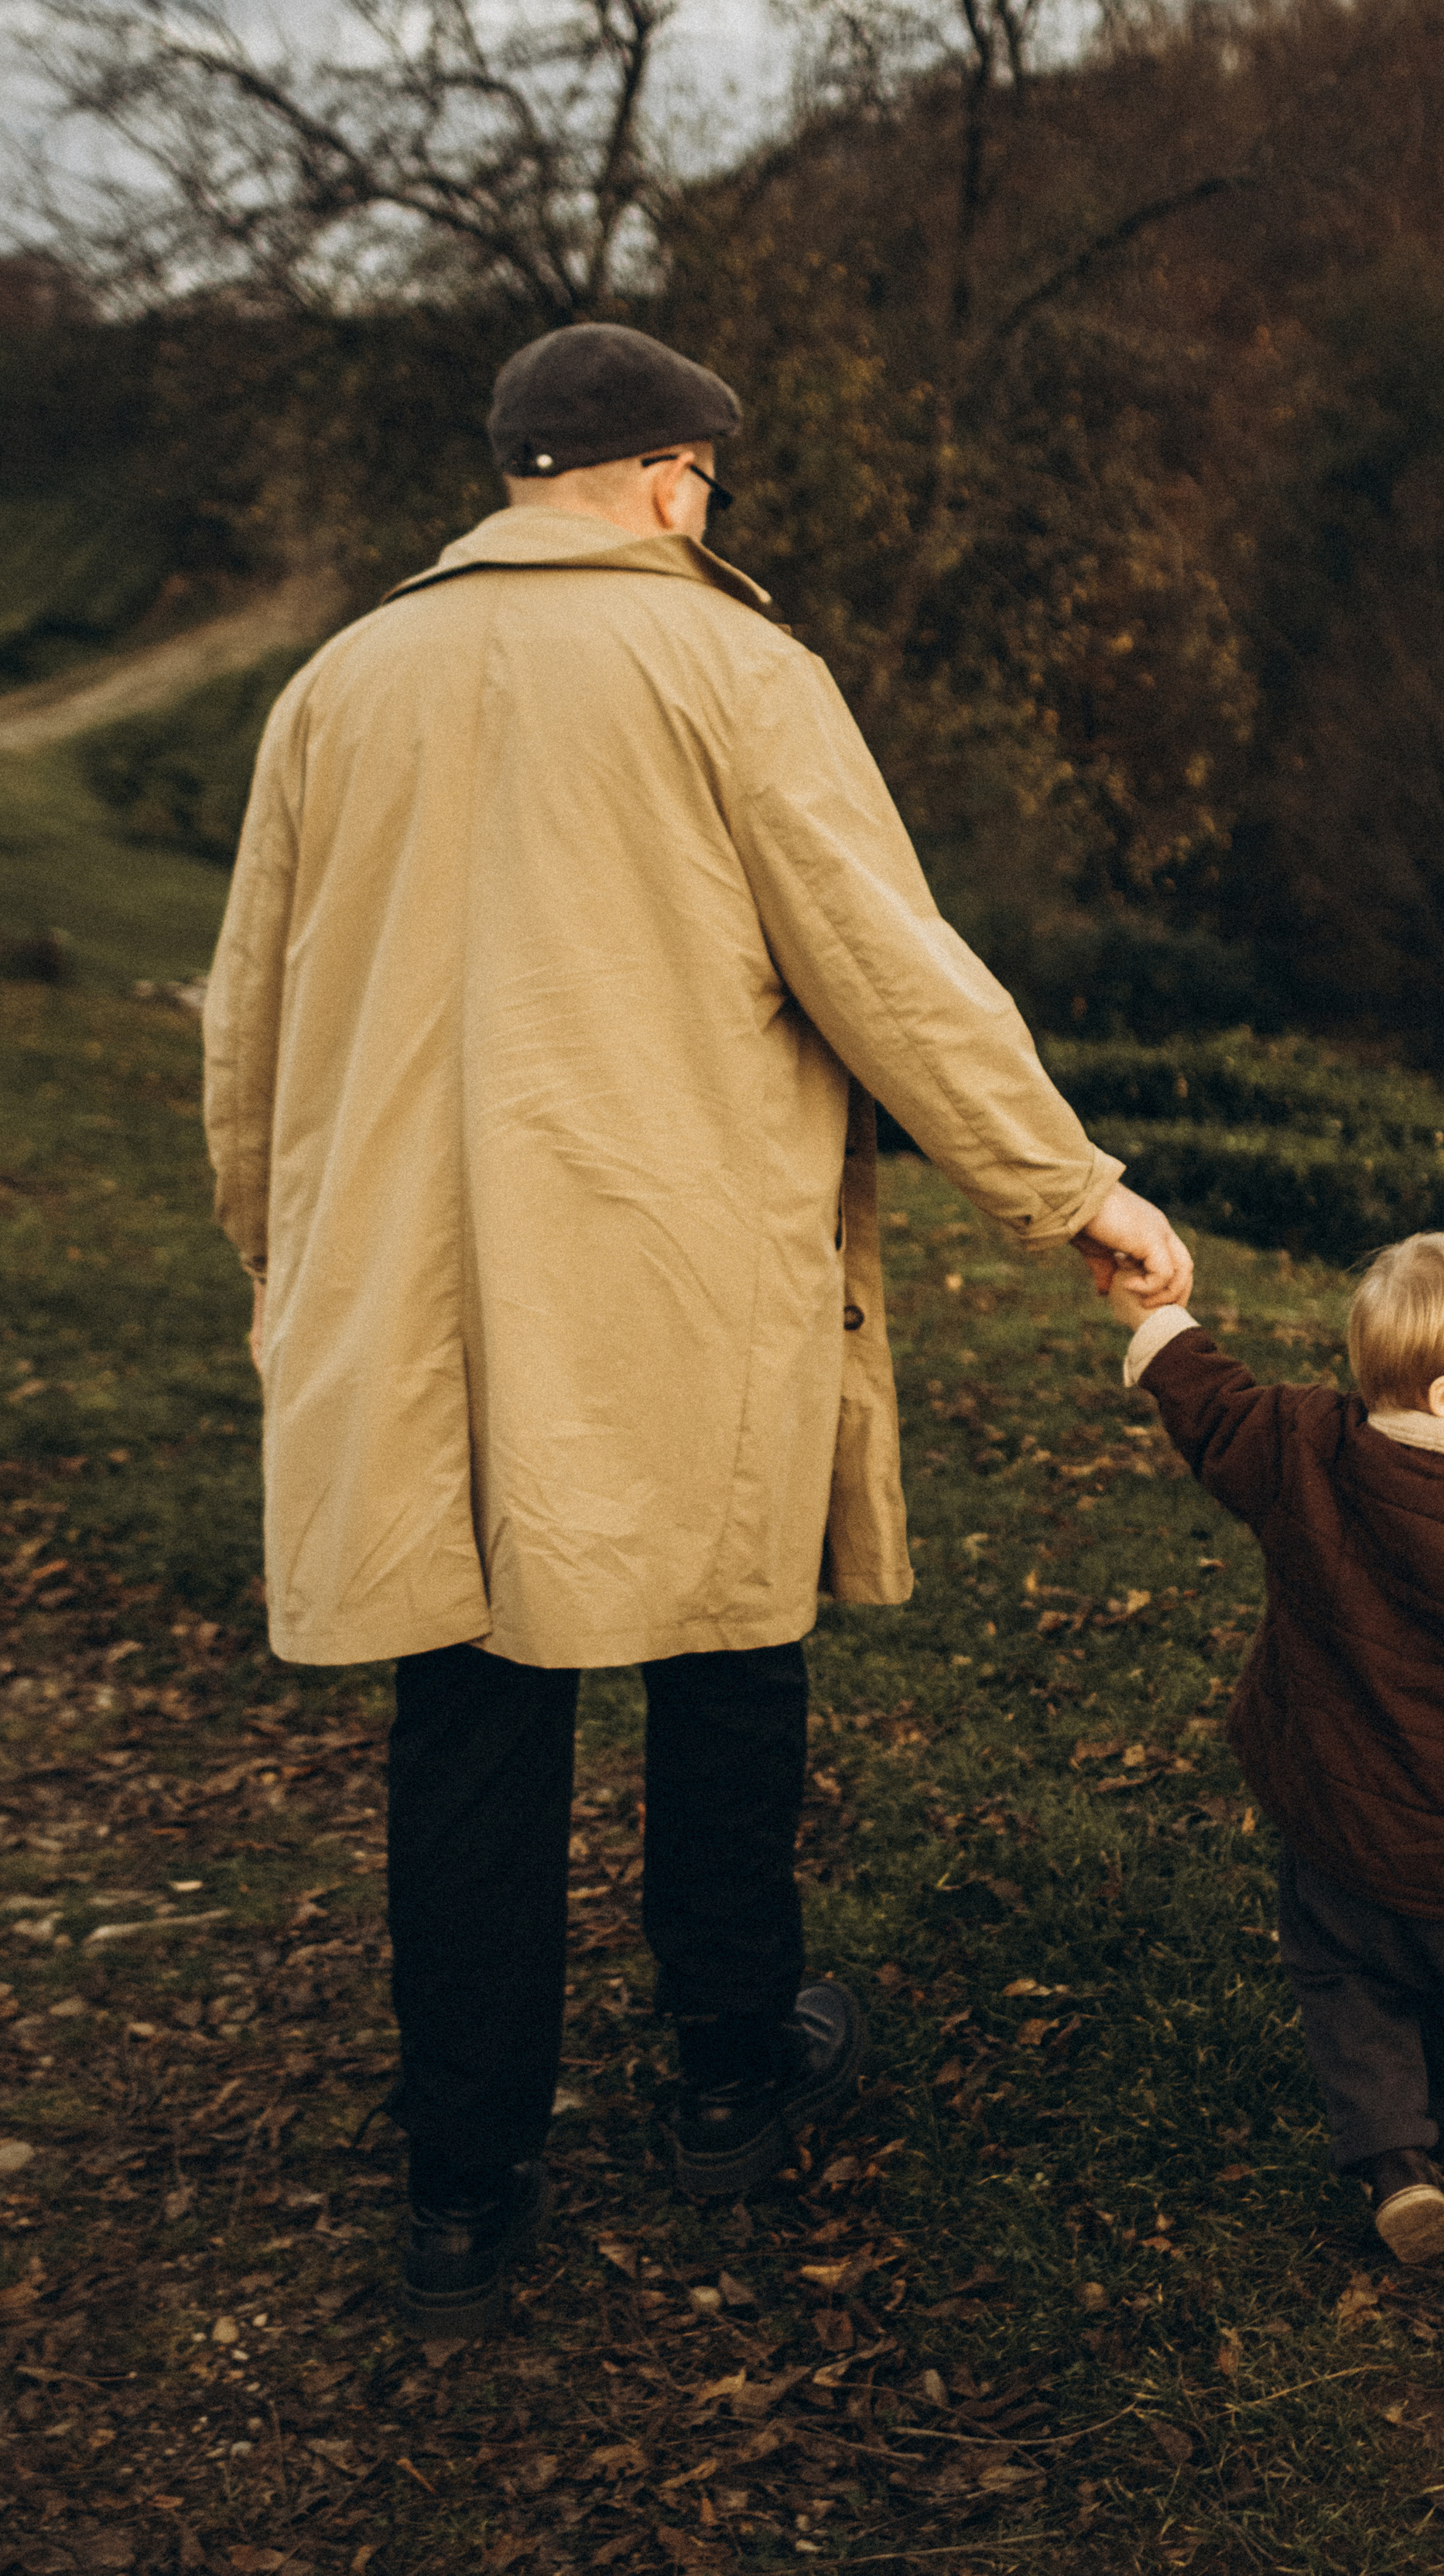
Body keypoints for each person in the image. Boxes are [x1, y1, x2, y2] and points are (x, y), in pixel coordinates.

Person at [203, 321, 1192, 2332]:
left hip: (419, 1301)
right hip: (681, 1275)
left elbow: (250, 1029)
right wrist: (1067, 1186)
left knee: (469, 1714)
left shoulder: (339, 684)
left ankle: (464, 2184)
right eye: (702, 487)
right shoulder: (737, 667)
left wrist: (283, 1266)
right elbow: (884, 964)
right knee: (731, 1659)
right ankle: (732, 2072)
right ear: (668, 479)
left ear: (514, 479)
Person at [1100, 1229, 1444, 2265]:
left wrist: (1157, 1318)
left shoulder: (1307, 1447)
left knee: (1346, 1982)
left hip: (1335, 1816)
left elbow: (1213, 1409)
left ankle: (1394, 2165)